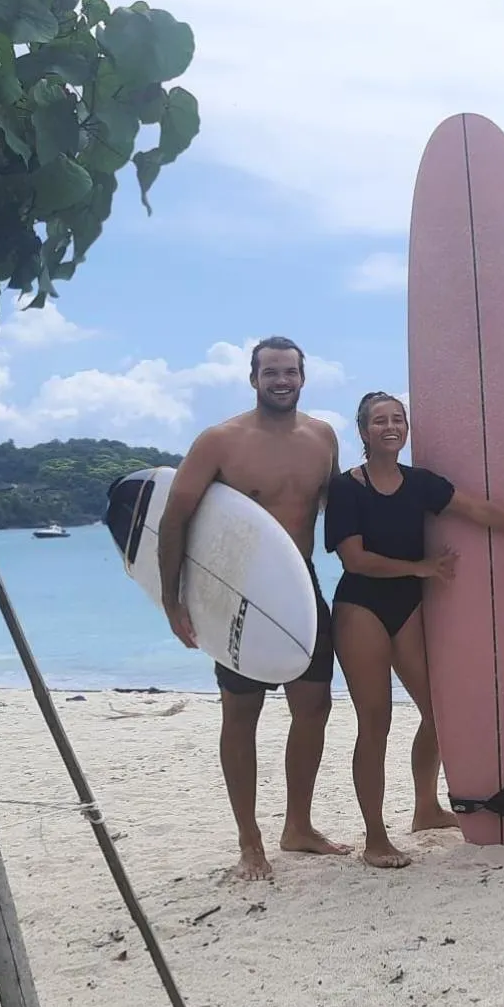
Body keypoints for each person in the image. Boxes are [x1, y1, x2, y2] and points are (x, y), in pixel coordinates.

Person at [325, 392, 504, 868]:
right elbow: (354, 559)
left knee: (439, 714)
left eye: (398, 419)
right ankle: (375, 836)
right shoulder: (346, 488)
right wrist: (421, 567)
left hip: (407, 607)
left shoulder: (419, 484)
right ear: (363, 431)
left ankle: (425, 808)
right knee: (375, 723)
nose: (391, 426)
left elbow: (478, 511)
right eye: (380, 421)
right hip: (361, 608)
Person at [158, 336, 349, 882]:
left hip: (299, 588)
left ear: (303, 377)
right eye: (271, 372)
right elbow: (175, 518)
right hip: (238, 596)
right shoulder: (220, 441)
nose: (281, 380)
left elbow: (338, 514)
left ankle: (299, 826)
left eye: (290, 371)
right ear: (253, 378)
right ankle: (249, 841)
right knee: (242, 715)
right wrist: (174, 599)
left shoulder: (322, 437)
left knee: (314, 708)